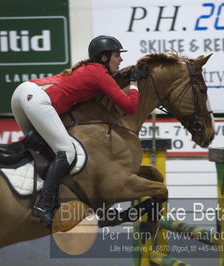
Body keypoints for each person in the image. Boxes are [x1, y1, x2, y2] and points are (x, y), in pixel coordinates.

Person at [10, 35, 146, 224]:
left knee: (43, 150)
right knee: (66, 152)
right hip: (38, 99)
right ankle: (42, 205)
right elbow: (130, 106)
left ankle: (35, 195)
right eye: (117, 55)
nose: (121, 59)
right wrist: (134, 84)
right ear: (104, 58)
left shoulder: (90, 69)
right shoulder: (100, 74)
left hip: (23, 92)